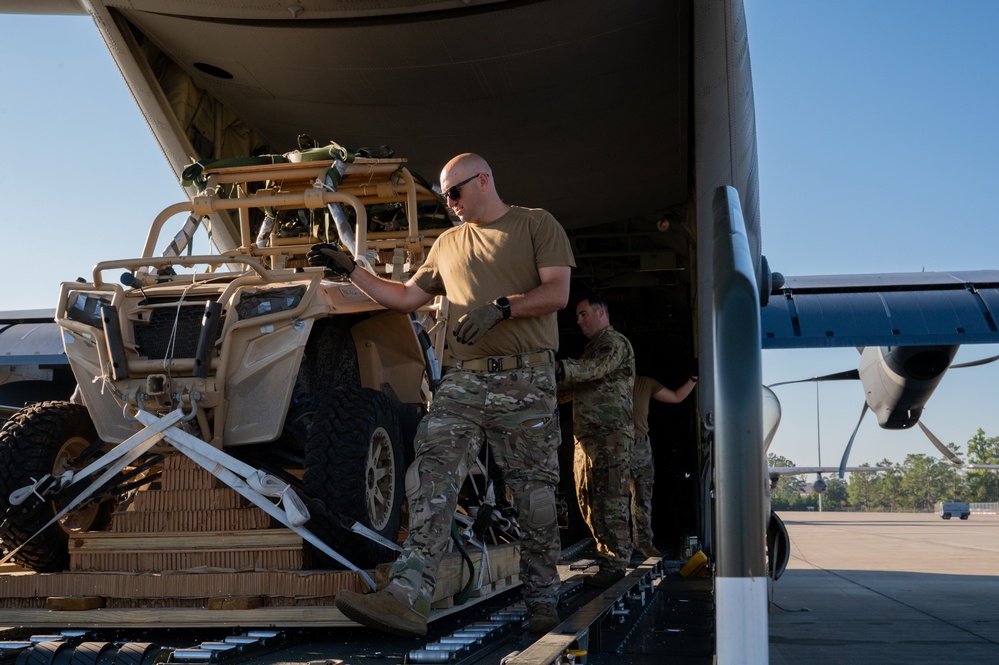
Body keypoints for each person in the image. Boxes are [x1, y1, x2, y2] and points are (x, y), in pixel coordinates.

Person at [309, 153, 575, 637]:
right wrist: (352, 271)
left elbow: (557, 292)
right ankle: (408, 597)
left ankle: (542, 598)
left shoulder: (536, 224)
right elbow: (407, 297)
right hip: (465, 379)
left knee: (534, 494)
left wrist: (503, 309)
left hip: (526, 380)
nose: (449, 202)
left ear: (484, 181)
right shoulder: (448, 244)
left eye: (455, 191)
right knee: (429, 474)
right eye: (444, 194)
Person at [557, 293, 636, 588]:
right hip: (588, 437)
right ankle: (609, 561)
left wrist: (558, 368)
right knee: (589, 499)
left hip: (610, 436)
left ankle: (615, 564)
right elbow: (574, 387)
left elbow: (591, 370)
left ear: (600, 312)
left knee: (610, 499)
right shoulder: (593, 350)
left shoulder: (613, 344)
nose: (578, 321)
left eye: (583, 314)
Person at [630, 374, 697, 558]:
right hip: (613, 445)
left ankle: (643, 543)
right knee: (613, 502)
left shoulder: (645, 383)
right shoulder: (606, 380)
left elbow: (676, 397)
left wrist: (692, 378)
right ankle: (615, 549)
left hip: (640, 446)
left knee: (643, 497)